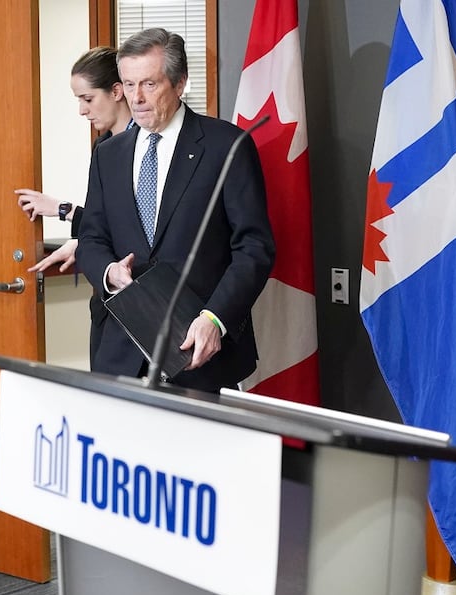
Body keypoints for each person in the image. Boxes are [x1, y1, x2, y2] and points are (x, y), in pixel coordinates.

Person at [76, 28, 275, 392]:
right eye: (128, 84)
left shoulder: (226, 146)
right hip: (120, 350)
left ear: (180, 82)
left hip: (199, 351)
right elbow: (90, 237)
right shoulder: (108, 154)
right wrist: (108, 271)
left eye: (149, 84)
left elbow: (254, 248)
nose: (136, 98)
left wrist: (216, 318)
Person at [15, 46, 134, 274]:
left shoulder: (148, 146)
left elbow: (127, 227)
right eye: (79, 100)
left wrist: (63, 210)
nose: (82, 110)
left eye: (88, 99)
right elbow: (100, 223)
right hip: (106, 285)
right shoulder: (102, 148)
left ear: (116, 91)